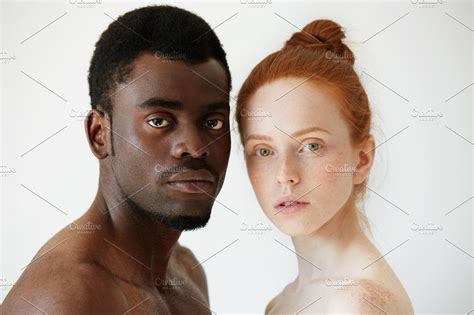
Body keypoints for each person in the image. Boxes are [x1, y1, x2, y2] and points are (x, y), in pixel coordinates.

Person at [2, 5, 232, 314]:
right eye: (159, 121)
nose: (195, 146)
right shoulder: (64, 298)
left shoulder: (186, 270)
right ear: (100, 134)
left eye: (213, 122)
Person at [236, 19, 414, 314]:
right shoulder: (283, 303)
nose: (285, 176)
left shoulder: (356, 305)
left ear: (362, 159)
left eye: (311, 146)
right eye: (264, 151)